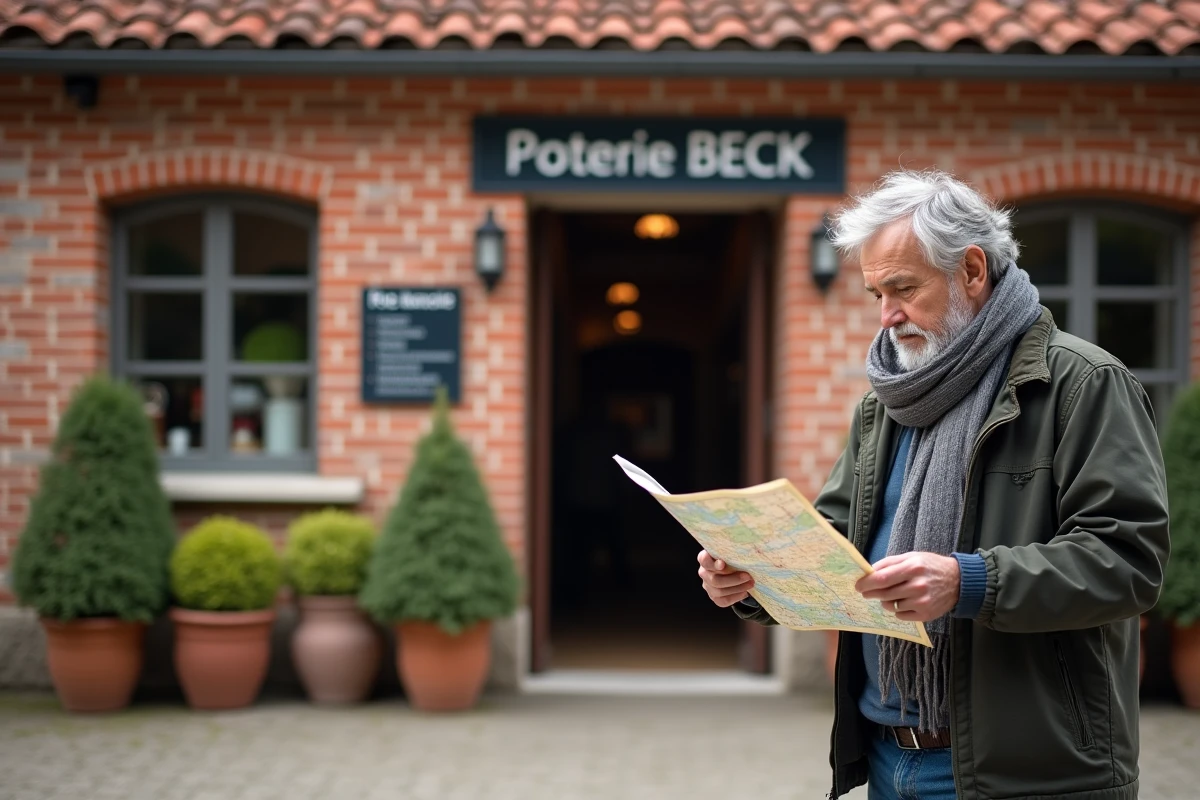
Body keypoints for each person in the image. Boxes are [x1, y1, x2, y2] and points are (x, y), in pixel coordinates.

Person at [697, 169, 1170, 800]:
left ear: (971, 270)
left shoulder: (1082, 384)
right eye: (876, 294)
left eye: (903, 288)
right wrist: (753, 576)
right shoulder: (887, 404)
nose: (887, 316)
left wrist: (968, 582)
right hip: (887, 759)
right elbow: (836, 544)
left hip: (1026, 772)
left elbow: (1128, 561)